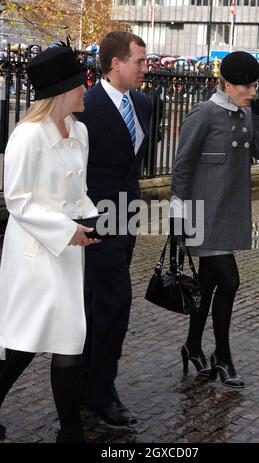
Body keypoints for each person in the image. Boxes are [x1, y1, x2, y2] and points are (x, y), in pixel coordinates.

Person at [0, 46, 100, 443]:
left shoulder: (80, 131)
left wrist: (93, 223)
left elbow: (80, 193)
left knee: (69, 338)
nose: (85, 89)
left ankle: (70, 432)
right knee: (27, 343)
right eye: (80, 84)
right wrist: (66, 229)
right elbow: (18, 200)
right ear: (62, 90)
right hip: (35, 256)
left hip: (67, 254)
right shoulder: (27, 135)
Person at [171, 51, 259, 388]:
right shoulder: (204, 114)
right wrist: (178, 213)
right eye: (246, 85)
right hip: (204, 217)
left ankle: (192, 346)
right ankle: (222, 356)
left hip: (231, 214)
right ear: (227, 84)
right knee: (229, 281)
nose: (253, 90)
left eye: (255, 84)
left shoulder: (244, 114)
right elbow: (183, 165)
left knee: (208, 284)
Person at [76, 31, 152, 427]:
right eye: (139, 60)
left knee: (99, 305)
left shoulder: (143, 102)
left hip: (128, 219)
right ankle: (102, 393)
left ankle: (85, 383)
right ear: (115, 63)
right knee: (114, 303)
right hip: (96, 222)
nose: (146, 67)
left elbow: (133, 166)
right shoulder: (85, 106)